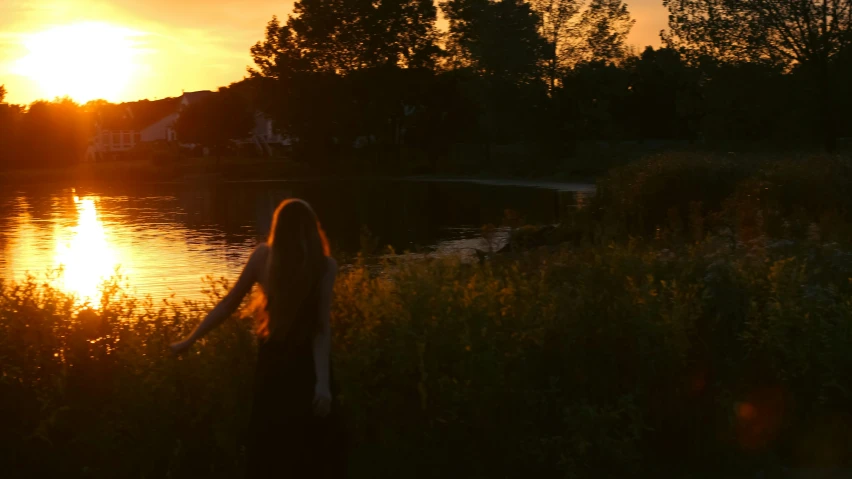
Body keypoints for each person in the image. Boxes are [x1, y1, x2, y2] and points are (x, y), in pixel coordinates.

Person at [170, 198, 345, 478]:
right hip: (300, 367)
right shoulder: (320, 265)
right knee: (306, 451)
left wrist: (189, 340)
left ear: (278, 227)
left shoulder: (280, 260)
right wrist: (322, 384)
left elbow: (228, 305)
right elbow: (320, 331)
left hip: (280, 365)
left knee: (275, 448)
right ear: (313, 229)